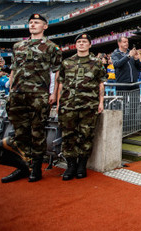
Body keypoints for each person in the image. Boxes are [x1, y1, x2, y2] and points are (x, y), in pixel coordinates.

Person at [4, 13, 62, 183]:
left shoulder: (52, 47)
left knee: (37, 132)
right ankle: (22, 167)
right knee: (20, 133)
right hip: (17, 94)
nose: (33, 25)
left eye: (37, 22)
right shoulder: (18, 46)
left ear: (45, 26)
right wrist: (11, 91)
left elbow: (57, 72)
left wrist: (54, 94)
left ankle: (36, 168)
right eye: (30, 22)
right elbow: (13, 70)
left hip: (38, 95)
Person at [57, 33, 106, 180]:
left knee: (86, 135)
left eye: (84, 42)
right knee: (68, 135)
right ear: (75, 45)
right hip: (68, 105)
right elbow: (61, 83)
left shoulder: (96, 62)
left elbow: (101, 83)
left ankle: (81, 165)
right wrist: (59, 102)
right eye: (79, 42)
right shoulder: (67, 62)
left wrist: (101, 102)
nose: (81, 44)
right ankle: (70, 166)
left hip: (89, 105)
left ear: (90, 45)